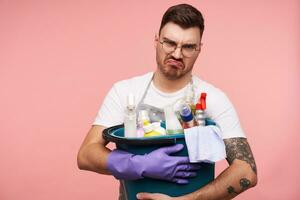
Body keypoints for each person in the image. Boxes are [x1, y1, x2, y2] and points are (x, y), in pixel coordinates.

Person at [77, 4, 257, 200]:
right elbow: (86, 155)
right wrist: (140, 164)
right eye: (170, 43)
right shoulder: (125, 92)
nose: (177, 54)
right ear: (156, 41)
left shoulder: (213, 99)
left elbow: (246, 171)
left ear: (199, 49)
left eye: (188, 47)